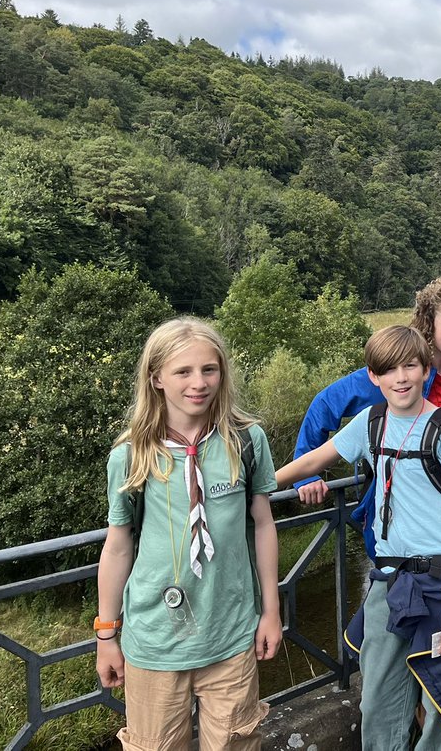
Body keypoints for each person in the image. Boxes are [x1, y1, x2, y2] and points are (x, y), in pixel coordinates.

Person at [275, 326, 441, 751]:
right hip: (391, 582)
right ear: (373, 376)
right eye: (389, 369)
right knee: (378, 697)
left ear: (424, 372)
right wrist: (258, 487)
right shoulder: (371, 422)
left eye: (410, 366)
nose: (400, 377)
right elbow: (315, 458)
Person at [96, 318, 281, 751]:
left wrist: (270, 611)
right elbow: (119, 546)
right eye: (183, 372)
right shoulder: (131, 456)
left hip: (231, 636)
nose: (199, 383)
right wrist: (107, 634)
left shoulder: (246, 441)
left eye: (209, 370)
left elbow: (264, 525)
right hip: (156, 643)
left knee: (237, 743)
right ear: (156, 377)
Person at [292, 276, 441, 503]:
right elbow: (326, 403)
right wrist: (305, 477)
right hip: (398, 505)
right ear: (429, 322)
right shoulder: (399, 373)